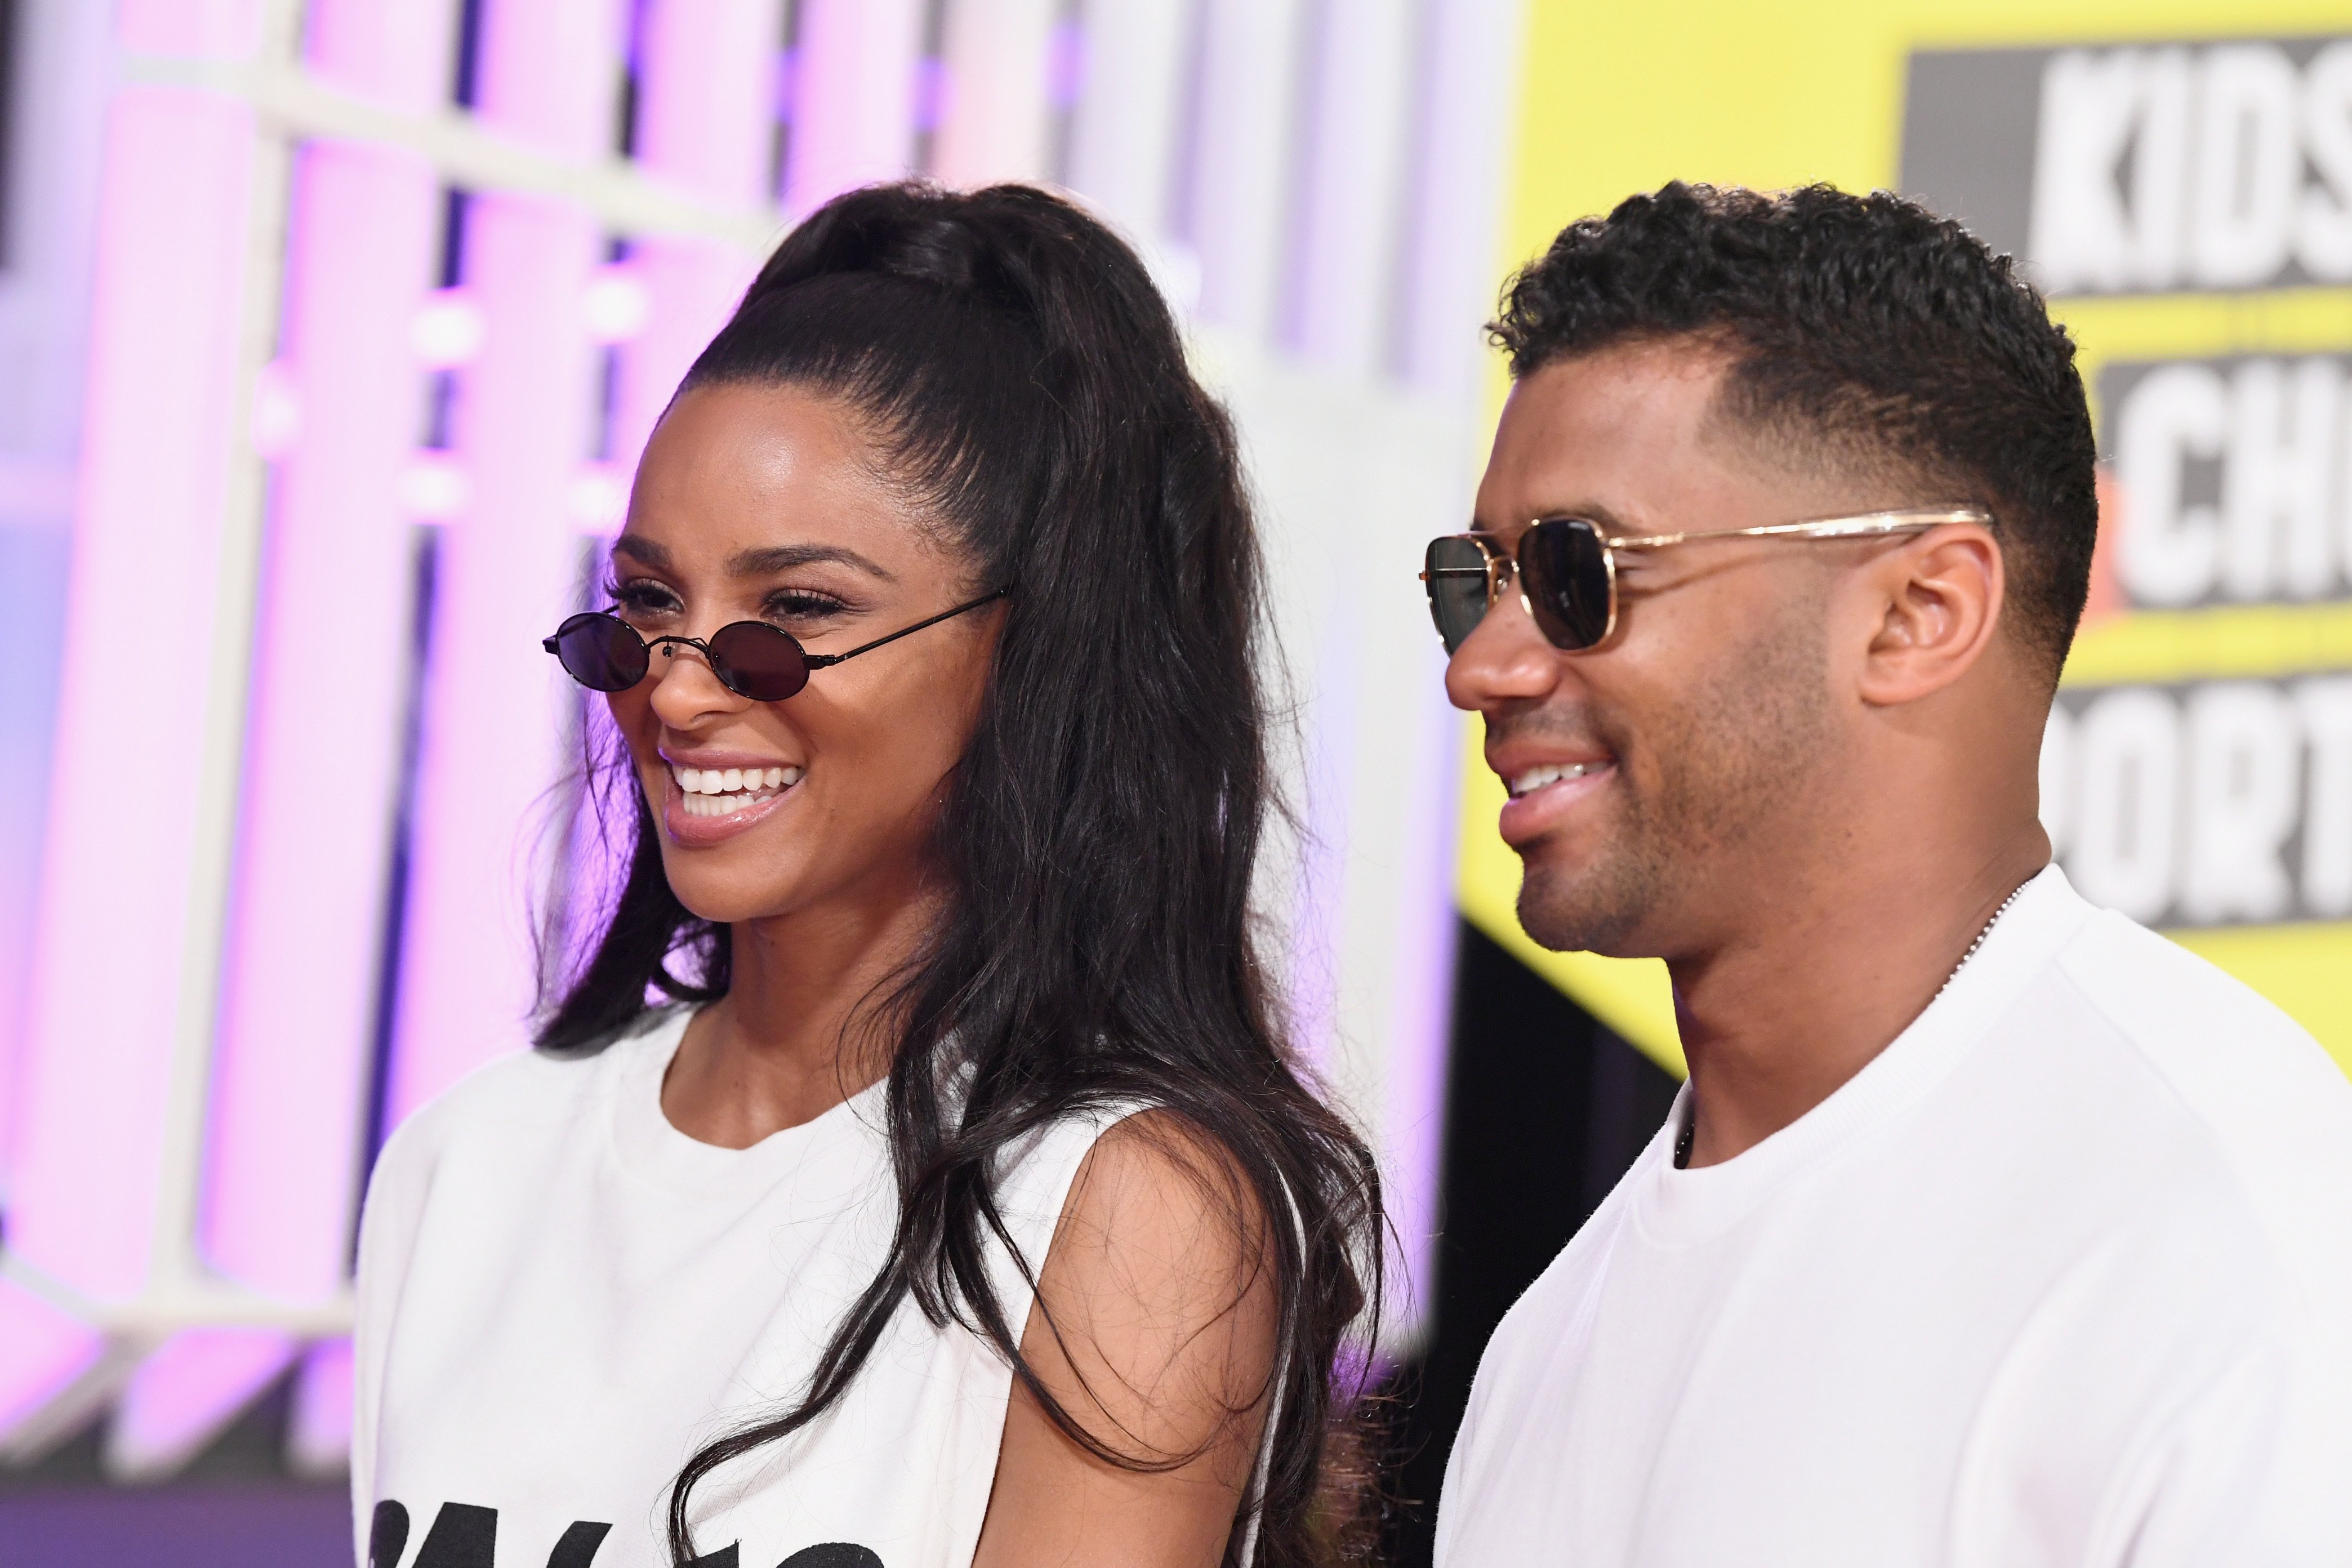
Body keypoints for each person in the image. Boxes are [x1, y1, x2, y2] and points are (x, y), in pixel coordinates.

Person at [351, 183, 1380, 1568]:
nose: (681, 689)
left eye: (799, 614)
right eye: (649, 605)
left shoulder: (1123, 1205)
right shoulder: (467, 1163)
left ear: (1033, 648)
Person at [1426, 182, 2352, 1566]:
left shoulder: (2235, 1232)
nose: (1482, 666)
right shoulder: (1544, 1351)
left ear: (1921, 615)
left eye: (1577, 574)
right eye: (1474, 581)